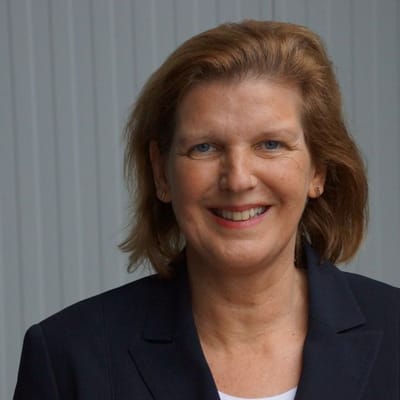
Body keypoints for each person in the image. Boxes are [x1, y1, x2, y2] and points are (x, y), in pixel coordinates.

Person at [14, 20, 399, 400]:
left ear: (318, 170)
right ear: (161, 173)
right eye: (205, 147)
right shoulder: (69, 359)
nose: (238, 179)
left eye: (270, 144)